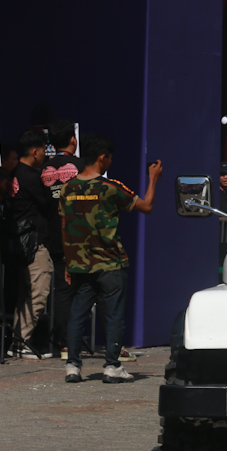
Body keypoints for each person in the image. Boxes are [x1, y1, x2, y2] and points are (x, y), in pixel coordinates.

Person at [60, 134, 162, 383]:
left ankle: (72, 365)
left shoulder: (68, 188)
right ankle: (112, 366)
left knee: (77, 314)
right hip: (109, 264)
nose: (110, 163)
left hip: (80, 264)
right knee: (114, 314)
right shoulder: (111, 188)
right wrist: (153, 178)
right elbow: (146, 206)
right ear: (102, 157)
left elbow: (64, 226)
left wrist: (68, 262)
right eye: (110, 158)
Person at [5, 128, 55, 358]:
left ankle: (18, 343)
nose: (46, 155)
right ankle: (22, 342)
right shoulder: (31, 177)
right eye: (44, 150)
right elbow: (48, 204)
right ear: (35, 152)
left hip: (20, 244)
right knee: (38, 291)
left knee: (26, 294)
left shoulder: (15, 174)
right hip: (34, 243)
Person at [41, 120, 85, 359]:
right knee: (88, 288)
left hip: (54, 236)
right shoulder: (83, 166)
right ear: (73, 140)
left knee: (62, 289)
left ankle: (66, 342)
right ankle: (73, 341)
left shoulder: (43, 169)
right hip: (81, 236)